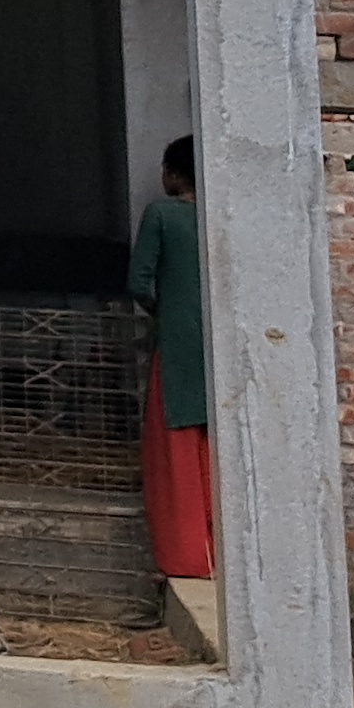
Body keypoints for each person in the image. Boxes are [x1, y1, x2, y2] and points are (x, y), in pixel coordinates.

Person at [129, 134, 212, 584]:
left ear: (176, 173)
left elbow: (140, 282)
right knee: (214, 448)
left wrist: (171, 312)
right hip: (224, 350)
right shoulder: (225, 215)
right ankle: (222, 553)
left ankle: (187, 558)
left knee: (175, 449)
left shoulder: (161, 215)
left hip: (177, 346)